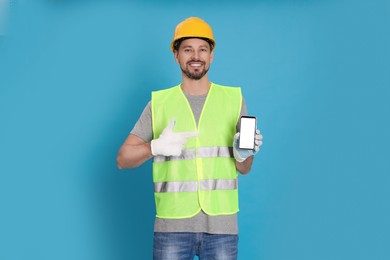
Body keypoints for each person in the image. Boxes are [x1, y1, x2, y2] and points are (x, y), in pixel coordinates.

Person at [116, 17, 263, 260]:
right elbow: (122, 159)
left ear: (211, 55)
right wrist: (154, 146)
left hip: (221, 228)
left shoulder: (233, 99)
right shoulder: (159, 104)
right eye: (187, 49)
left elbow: (244, 169)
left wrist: (242, 154)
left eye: (202, 49)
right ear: (176, 55)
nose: (196, 56)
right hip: (171, 228)